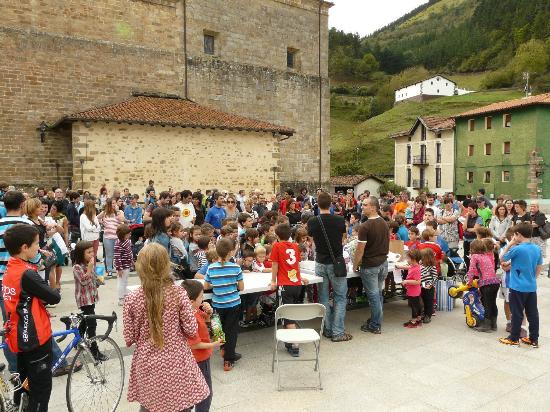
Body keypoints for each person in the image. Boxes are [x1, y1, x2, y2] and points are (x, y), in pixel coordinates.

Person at [124, 243, 208, 410]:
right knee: (181, 405)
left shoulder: (132, 298)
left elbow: (129, 337)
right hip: (177, 362)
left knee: (150, 406)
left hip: (147, 364)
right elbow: (191, 330)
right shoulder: (178, 293)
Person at [2, 224, 61, 411]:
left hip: (19, 335)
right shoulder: (26, 273)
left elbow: (24, 297)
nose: (39, 247)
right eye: (36, 244)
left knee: (25, 385)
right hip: (35, 338)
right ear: (24, 247)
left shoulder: (11, 268)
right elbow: (54, 297)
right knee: (40, 391)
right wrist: (50, 269)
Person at [307, 192, 352, 342]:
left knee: (323, 297)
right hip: (336, 261)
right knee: (340, 297)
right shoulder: (339, 220)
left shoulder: (313, 221)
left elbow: (312, 241)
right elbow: (344, 240)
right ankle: (337, 332)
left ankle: (327, 328)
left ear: (317, 205)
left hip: (320, 261)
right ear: (331, 204)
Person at [183, 280, 223, 412]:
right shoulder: (190, 317)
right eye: (201, 296)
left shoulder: (193, 311)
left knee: (191, 390)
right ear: (191, 301)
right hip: (199, 358)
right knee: (206, 393)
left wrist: (209, 312)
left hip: (192, 359)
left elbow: (207, 319)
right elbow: (194, 345)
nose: (203, 299)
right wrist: (214, 344)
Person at [499, 223, 542, 347]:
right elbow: (539, 266)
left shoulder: (517, 249)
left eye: (514, 235)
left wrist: (510, 244)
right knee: (532, 313)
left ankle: (514, 338)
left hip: (517, 287)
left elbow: (502, 258)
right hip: (531, 287)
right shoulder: (537, 248)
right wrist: (533, 278)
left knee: (516, 313)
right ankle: (534, 339)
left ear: (518, 234)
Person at [270, 223, 310, 356]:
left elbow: (275, 265)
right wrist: (300, 277)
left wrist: (273, 280)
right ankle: (289, 341)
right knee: (290, 313)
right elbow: (295, 265)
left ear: (277, 235)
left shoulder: (277, 246)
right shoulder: (295, 246)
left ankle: (295, 344)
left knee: (287, 316)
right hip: (296, 284)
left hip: (285, 285)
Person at [204, 238, 244, 371]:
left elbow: (206, 286)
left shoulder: (211, 267)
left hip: (217, 305)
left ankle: (223, 349)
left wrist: (217, 284)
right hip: (233, 304)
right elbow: (241, 287)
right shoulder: (236, 267)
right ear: (231, 252)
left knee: (218, 330)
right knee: (231, 331)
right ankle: (228, 360)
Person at [354, 196, 389, 335]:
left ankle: (375, 324)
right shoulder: (384, 223)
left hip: (371, 266)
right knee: (378, 294)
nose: (362, 207)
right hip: (383, 263)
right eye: (362, 204)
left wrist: (355, 265)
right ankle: (376, 320)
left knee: (374, 296)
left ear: (373, 207)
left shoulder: (365, 226)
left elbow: (359, 250)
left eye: (365, 205)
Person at [72, 240, 106, 360]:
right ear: (81, 253)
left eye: (93, 251)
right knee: (92, 324)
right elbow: (84, 281)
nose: (92, 254)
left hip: (91, 298)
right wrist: (90, 269)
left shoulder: (89, 265)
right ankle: (94, 350)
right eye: (89, 252)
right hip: (84, 300)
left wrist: (99, 279)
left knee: (85, 321)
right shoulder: (77, 267)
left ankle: (77, 340)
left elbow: (94, 281)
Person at [466, 239, 500, 332]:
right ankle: (493, 324)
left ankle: (486, 325)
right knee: (492, 303)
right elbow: (484, 269)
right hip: (495, 282)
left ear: (473, 248)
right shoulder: (486, 255)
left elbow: (471, 270)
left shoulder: (474, 256)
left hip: (486, 284)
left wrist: (469, 282)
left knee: (486, 304)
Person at [98, 198, 124, 278]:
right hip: (107, 237)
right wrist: (102, 222)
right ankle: (109, 270)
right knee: (109, 254)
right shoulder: (104, 213)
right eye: (112, 203)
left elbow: (122, 220)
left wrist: (117, 212)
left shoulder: (119, 212)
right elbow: (97, 218)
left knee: (118, 254)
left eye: (115, 203)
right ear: (109, 204)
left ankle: (116, 268)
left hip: (117, 237)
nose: (114, 205)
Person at [402, 249, 422, 328]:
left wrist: (406, 281)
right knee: (417, 305)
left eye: (408, 258)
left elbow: (418, 281)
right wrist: (399, 267)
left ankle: (414, 322)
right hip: (412, 290)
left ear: (413, 259)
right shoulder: (413, 266)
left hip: (414, 291)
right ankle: (418, 319)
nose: (407, 259)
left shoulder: (416, 269)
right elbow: (408, 267)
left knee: (414, 306)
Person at [114, 224, 133, 306]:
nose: (130, 235)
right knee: (121, 281)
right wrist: (119, 268)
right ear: (123, 235)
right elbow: (117, 257)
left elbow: (130, 252)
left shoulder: (127, 241)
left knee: (125, 281)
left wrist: (132, 261)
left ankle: (125, 294)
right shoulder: (118, 244)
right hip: (122, 266)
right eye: (128, 234)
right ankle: (121, 298)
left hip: (127, 265)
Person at [420, 248, 438, 324]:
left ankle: (428, 316)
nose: (421, 258)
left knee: (429, 302)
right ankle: (424, 314)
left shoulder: (432, 266)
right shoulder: (421, 264)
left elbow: (435, 277)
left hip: (429, 287)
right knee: (423, 300)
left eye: (422, 256)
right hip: (422, 286)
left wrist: (431, 285)